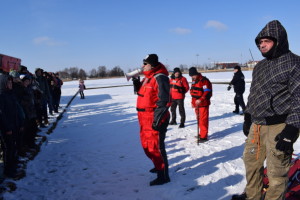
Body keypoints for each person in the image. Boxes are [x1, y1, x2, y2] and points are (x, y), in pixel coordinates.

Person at [232, 20, 300, 200]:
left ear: (278, 41)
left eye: (266, 41)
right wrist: (248, 116)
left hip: (279, 125)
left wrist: (292, 129)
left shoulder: (294, 63)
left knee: (277, 171)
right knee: (251, 164)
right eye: (260, 42)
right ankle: (253, 197)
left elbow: (299, 98)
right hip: (257, 125)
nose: (262, 45)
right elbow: (254, 94)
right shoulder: (260, 66)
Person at [132, 54, 171, 186]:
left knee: (156, 147)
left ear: (152, 65)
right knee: (147, 145)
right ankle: (157, 165)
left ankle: (163, 175)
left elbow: (164, 101)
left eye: (145, 63)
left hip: (154, 118)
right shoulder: (148, 78)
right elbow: (144, 94)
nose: (143, 66)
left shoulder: (160, 78)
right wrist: (136, 83)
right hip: (144, 118)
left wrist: (157, 120)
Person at [189, 67, 212, 143]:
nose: (192, 77)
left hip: (203, 103)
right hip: (197, 104)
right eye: (191, 76)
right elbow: (193, 93)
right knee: (199, 119)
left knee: (203, 120)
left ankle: (204, 136)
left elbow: (207, 91)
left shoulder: (204, 80)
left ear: (196, 73)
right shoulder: (193, 81)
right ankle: (201, 133)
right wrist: (193, 103)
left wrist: (201, 99)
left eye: (193, 75)